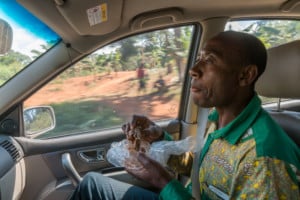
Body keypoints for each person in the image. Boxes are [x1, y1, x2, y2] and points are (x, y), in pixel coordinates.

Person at [69, 31, 300, 199]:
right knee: (92, 185)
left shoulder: (265, 161)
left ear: (245, 75)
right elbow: (203, 168)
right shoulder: (218, 120)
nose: (193, 69)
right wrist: (160, 140)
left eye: (210, 60)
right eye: (199, 57)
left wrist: (163, 181)